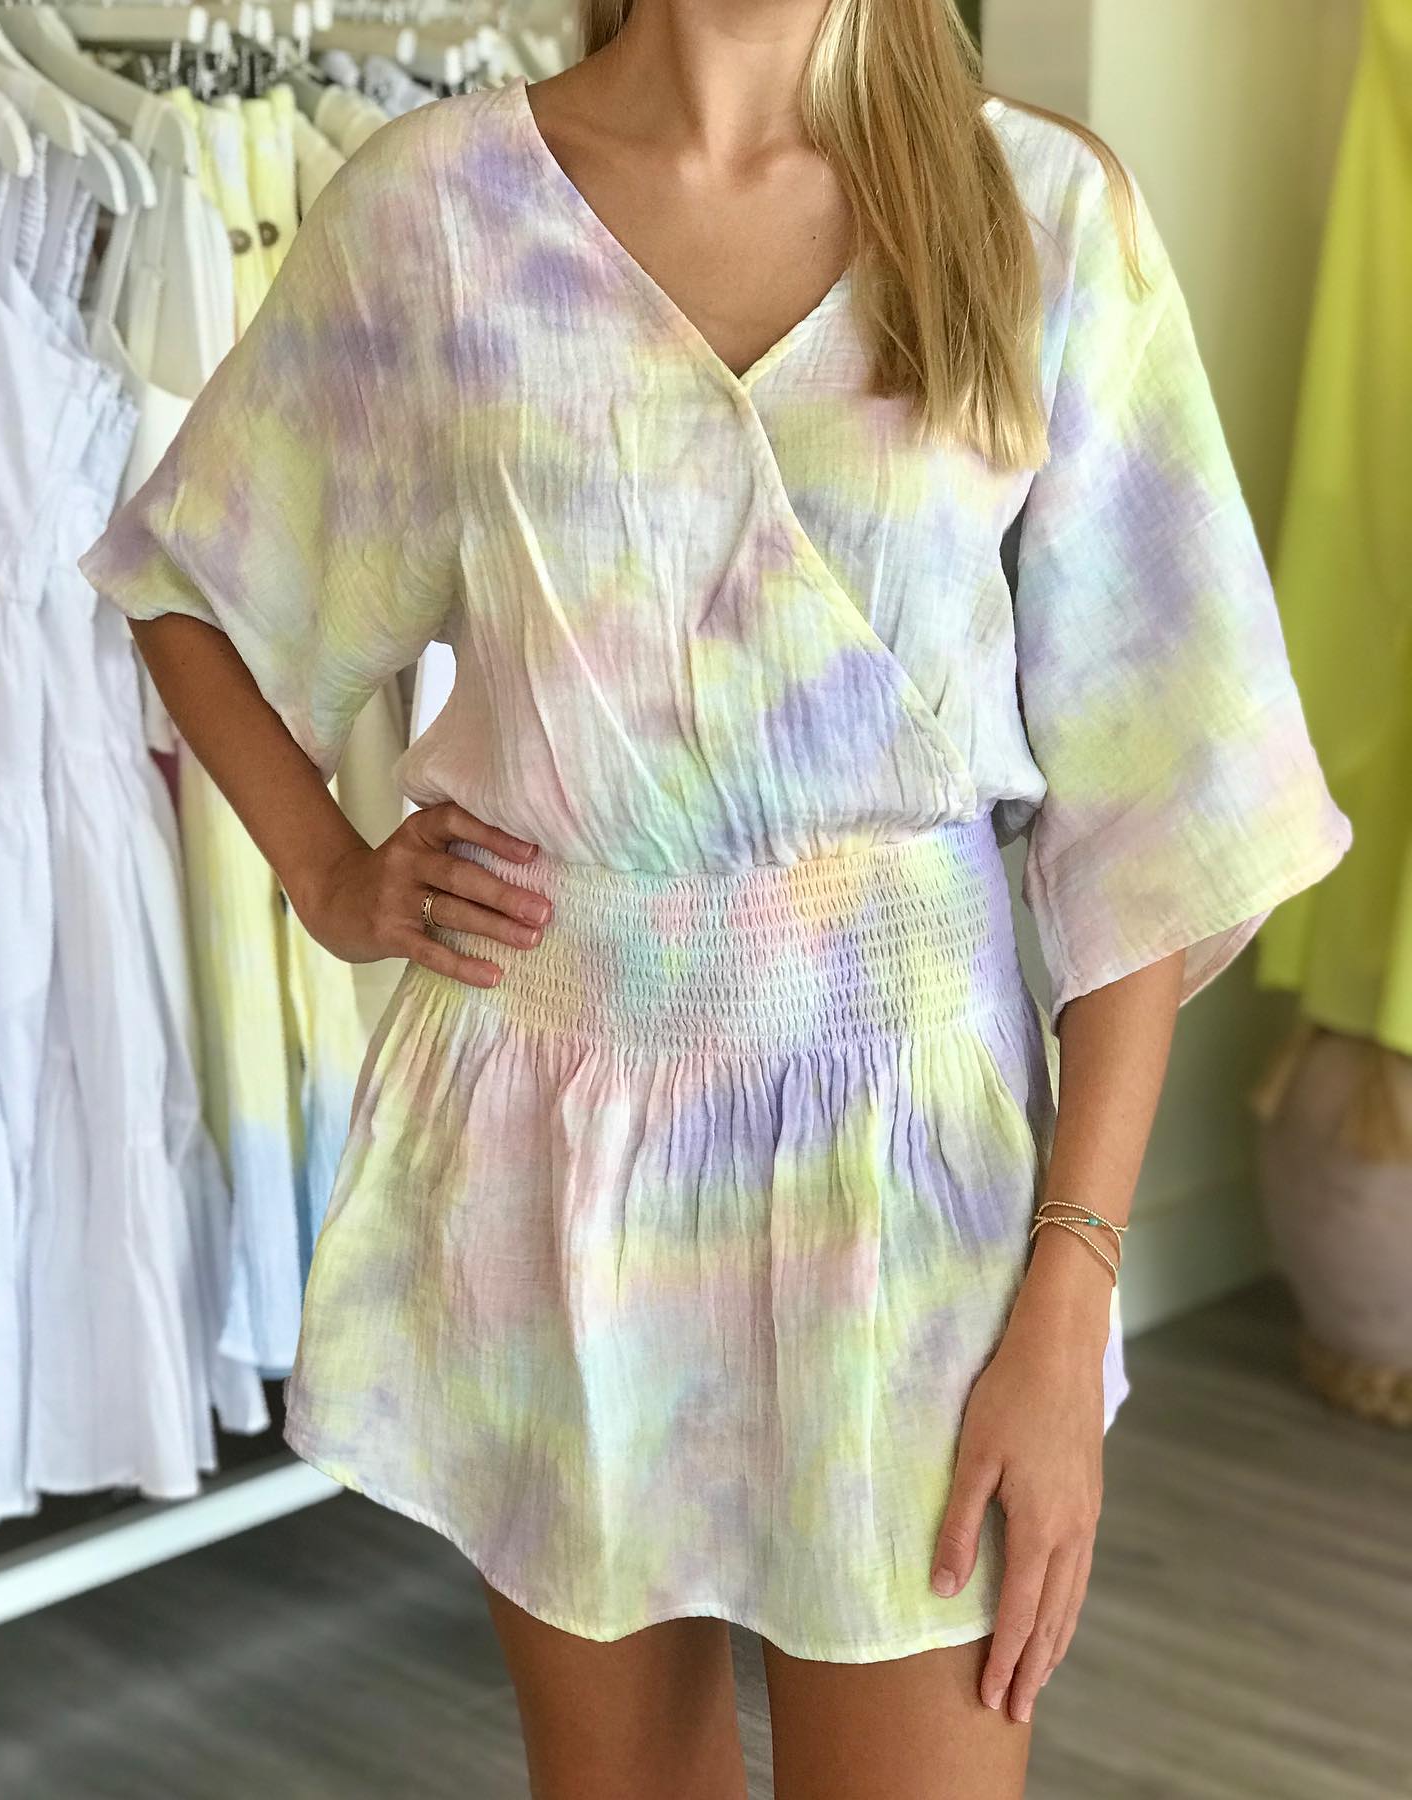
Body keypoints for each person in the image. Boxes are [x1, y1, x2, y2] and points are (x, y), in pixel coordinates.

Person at [78, 2, 1352, 1795]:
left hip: (911, 1175)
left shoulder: (1037, 211)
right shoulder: (442, 210)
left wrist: (1072, 1288)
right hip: (556, 1142)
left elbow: (1162, 794)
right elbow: (189, 581)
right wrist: (330, 873)